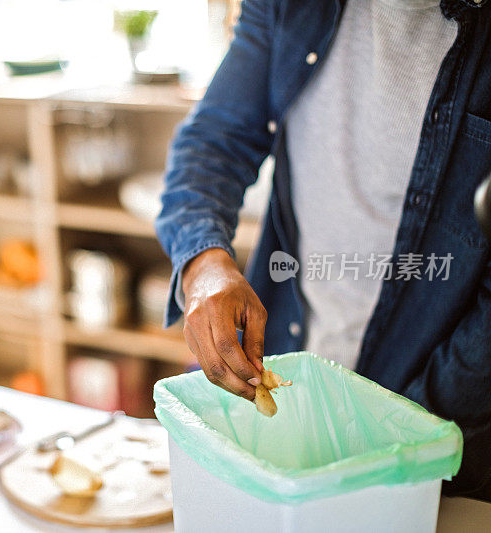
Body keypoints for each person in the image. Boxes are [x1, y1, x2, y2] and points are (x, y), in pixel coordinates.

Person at [156, 0, 491, 499]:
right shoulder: (290, 6)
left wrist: (398, 426)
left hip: (430, 426)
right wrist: (205, 266)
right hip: (283, 381)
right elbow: (214, 142)